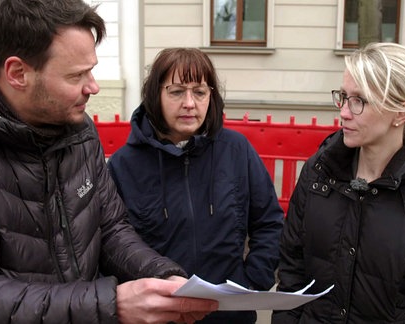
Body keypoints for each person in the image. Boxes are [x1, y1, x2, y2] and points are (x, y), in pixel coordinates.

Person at [0, 1, 219, 323]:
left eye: (91, 69)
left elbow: (111, 228)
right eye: (77, 75)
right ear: (18, 73)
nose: (93, 86)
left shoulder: (77, 127)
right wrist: (111, 305)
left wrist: (161, 276)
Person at [272, 42, 405, 323]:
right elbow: (292, 274)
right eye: (343, 96)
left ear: (401, 113)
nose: (343, 111)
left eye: (359, 101)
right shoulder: (317, 174)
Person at [107, 47, 284, 323]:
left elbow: (269, 223)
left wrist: (250, 283)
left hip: (229, 315)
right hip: (161, 316)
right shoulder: (123, 165)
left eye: (199, 92)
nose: (189, 103)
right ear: (156, 95)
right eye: (177, 91)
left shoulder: (236, 151)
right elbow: (113, 243)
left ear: (210, 95)